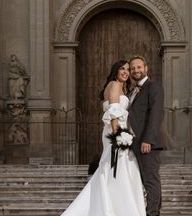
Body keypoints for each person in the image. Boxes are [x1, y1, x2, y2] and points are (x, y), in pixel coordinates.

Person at [62, 60, 145, 216]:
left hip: (120, 132)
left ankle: (116, 207)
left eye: (128, 69)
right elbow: (114, 112)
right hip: (115, 133)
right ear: (116, 71)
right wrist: (118, 137)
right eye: (122, 69)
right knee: (116, 168)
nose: (126, 72)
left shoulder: (121, 87)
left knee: (118, 169)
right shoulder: (114, 85)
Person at [128, 55, 164, 216]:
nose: (136, 70)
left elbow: (155, 114)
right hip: (134, 143)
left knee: (150, 181)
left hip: (147, 142)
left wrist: (148, 139)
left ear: (146, 68)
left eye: (139, 67)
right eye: (133, 68)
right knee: (142, 181)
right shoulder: (132, 91)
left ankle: (153, 213)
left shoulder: (153, 86)